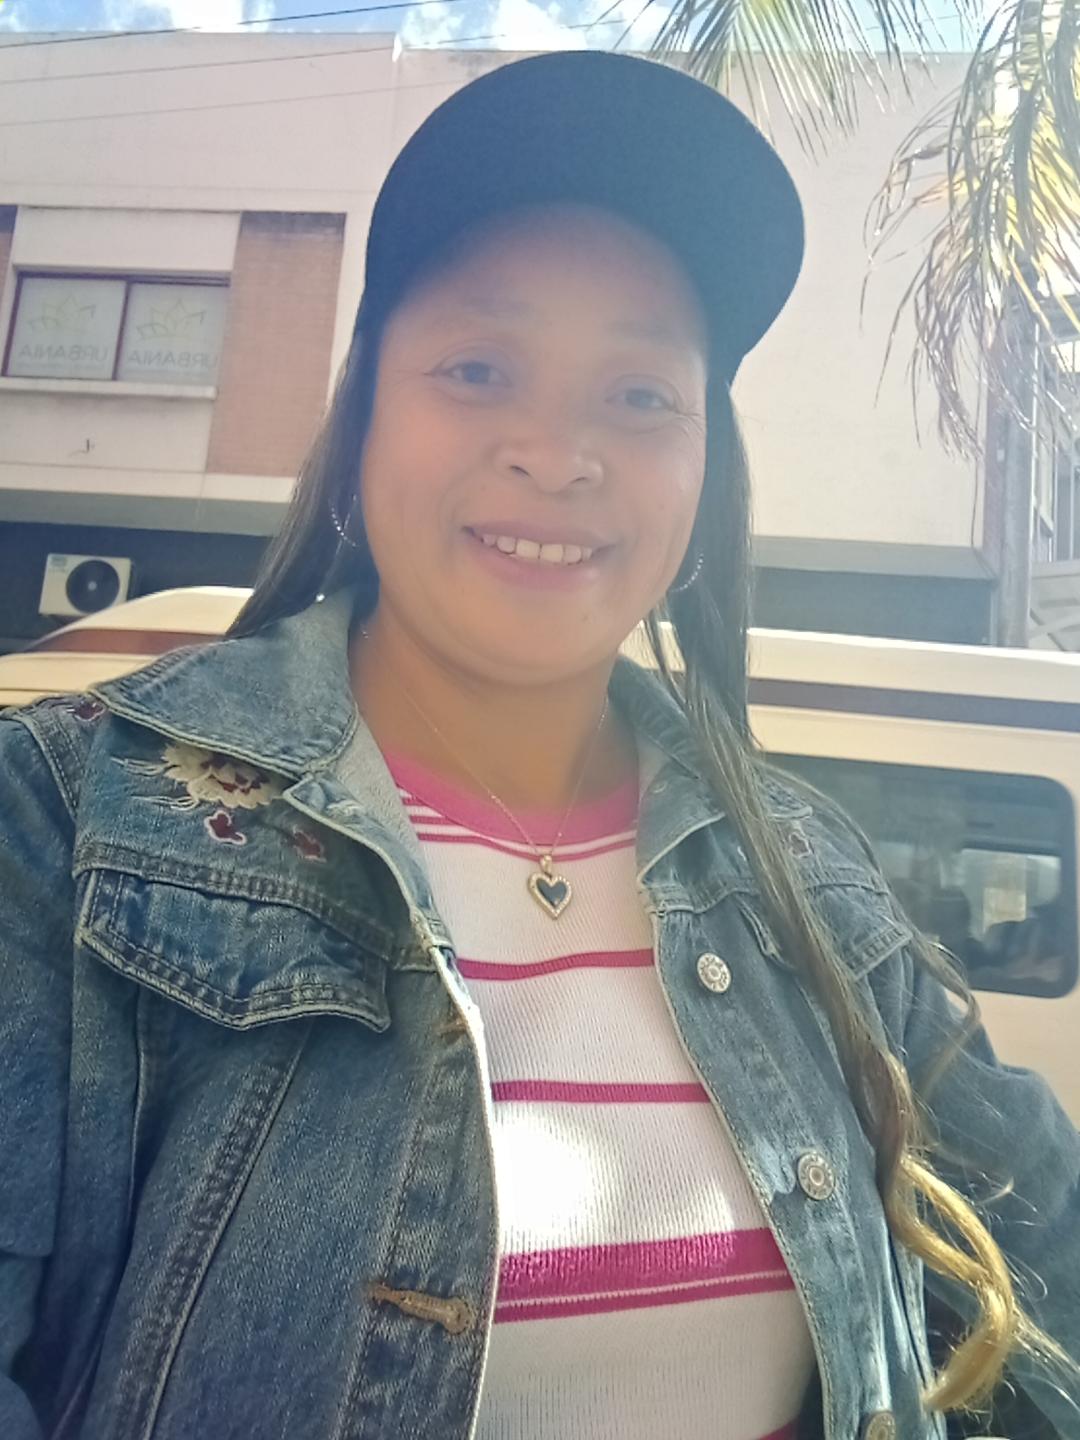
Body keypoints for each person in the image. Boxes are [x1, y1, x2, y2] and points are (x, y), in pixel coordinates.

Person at [0, 49, 1077, 1440]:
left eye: (641, 394)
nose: (558, 452)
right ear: (365, 411)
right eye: (478, 367)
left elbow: (1040, 1243)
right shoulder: (57, 825)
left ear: (705, 466)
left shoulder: (809, 873)